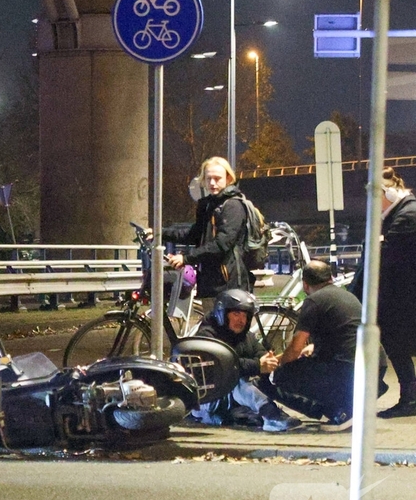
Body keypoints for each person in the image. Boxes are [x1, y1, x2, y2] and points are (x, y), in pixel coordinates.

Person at [260, 260, 386, 430]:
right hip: (376, 366)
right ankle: (347, 407)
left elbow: (295, 348)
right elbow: (346, 333)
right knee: (311, 366)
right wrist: (314, 347)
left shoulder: (314, 301)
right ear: (330, 278)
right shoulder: (346, 295)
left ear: (305, 284)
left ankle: (340, 411)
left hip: (349, 370)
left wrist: (276, 367)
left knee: (282, 375)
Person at [191, 289, 301, 432]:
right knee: (234, 377)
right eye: (236, 314)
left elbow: (259, 352)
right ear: (222, 314)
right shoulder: (207, 336)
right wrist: (257, 365)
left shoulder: (245, 335)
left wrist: (267, 362)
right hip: (208, 399)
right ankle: (271, 415)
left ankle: (318, 408)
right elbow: (224, 365)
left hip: (232, 399)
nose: (241, 320)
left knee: (271, 377)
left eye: (245, 315)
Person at [162, 156, 252, 303]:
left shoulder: (233, 206)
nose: (212, 183)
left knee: (220, 318)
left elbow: (221, 244)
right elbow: (195, 234)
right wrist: (160, 233)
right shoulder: (208, 205)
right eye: (208, 178)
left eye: (217, 178)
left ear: (228, 179)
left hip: (228, 283)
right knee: (210, 316)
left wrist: (186, 258)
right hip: (209, 280)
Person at [374, 167, 416, 417]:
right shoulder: (401, 212)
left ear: (387, 194)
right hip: (402, 295)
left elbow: (387, 258)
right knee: (398, 345)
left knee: (396, 344)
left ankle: (410, 399)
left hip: (403, 297)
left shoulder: (406, 216)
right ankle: (409, 397)